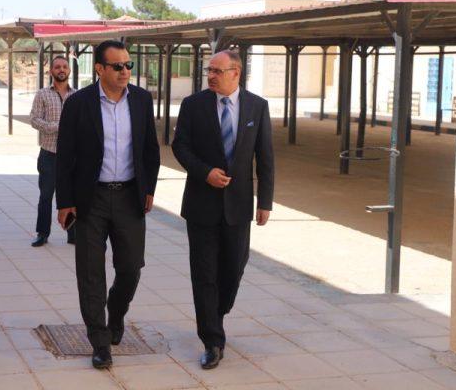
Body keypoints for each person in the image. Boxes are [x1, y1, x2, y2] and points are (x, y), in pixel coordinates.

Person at [56, 40, 160, 369]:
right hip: (91, 199)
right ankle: (99, 342)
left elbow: (150, 149)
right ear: (99, 69)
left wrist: (148, 188)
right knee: (90, 273)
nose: (125, 71)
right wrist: (65, 201)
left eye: (129, 65)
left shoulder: (141, 100)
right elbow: (65, 155)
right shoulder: (78, 103)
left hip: (129, 196)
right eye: (118, 66)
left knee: (131, 267)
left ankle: (116, 312)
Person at [172, 50, 274, 370]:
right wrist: (205, 172)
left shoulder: (257, 106)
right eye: (209, 70)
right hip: (201, 205)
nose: (211, 76)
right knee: (204, 274)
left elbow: (265, 156)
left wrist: (265, 201)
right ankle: (212, 340)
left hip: (239, 205)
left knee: (233, 268)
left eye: (217, 71)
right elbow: (180, 146)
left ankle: (216, 312)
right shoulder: (194, 105)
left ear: (236, 73)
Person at [29, 55, 76, 247]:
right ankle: (42, 233)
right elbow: (34, 120)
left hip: (72, 156)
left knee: (72, 195)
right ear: (51, 71)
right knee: (46, 196)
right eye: (57, 67)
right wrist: (58, 126)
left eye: (64, 66)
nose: (61, 70)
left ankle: (73, 234)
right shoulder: (42, 94)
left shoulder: (77, 96)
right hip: (49, 154)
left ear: (69, 70)